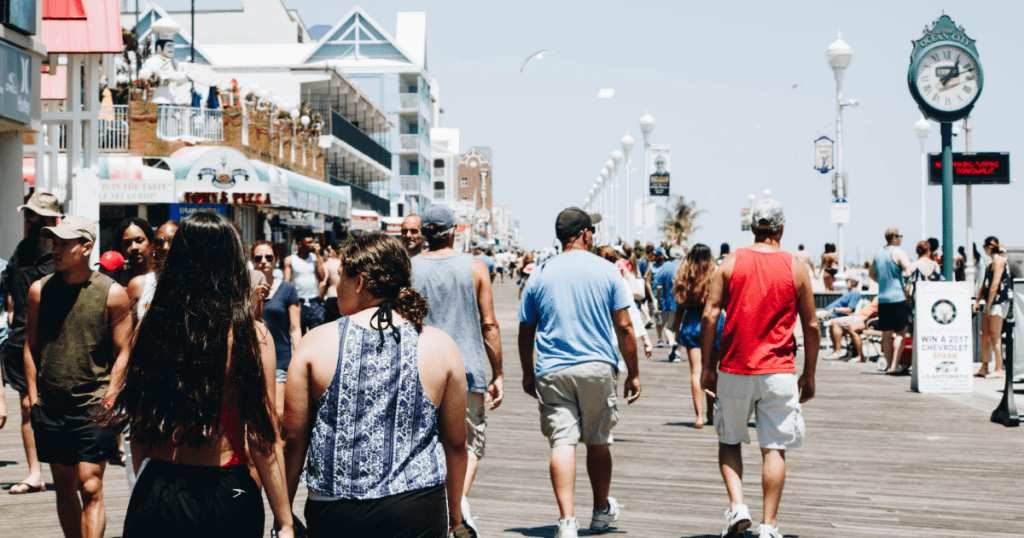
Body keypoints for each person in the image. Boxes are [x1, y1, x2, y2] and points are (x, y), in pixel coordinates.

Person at [99, 212, 294, 538]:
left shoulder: (151, 326)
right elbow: (262, 434)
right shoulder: (251, 334)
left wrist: (148, 489)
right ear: (233, 259)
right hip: (223, 489)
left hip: (157, 489)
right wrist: (284, 518)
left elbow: (139, 426)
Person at [283, 233, 467, 537]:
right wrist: (454, 505)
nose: (337, 285)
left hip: (336, 508)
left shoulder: (315, 342)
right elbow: (457, 443)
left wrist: (284, 514)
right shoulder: (439, 344)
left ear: (359, 282)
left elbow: (292, 439)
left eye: (341, 276)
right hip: (417, 504)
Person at [518, 207, 641, 538]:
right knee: (598, 441)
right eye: (592, 231)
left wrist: (527, 374)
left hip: (552, 370)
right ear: (585, 234)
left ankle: (567, 522)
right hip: (597, 368)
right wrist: (633, 372)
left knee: (562, 442)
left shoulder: (539, 274)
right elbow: (625, 326)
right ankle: (600, 512)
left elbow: (525, 331)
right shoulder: (606, 271)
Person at [700, 198, 818, 538]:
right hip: (779, 371)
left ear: (752, 228)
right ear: (781, 229)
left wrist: (707, 366)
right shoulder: (796, 268)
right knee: (774, 448)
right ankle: (769, 526)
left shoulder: (731, 263)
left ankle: (738, 507)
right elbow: (811, 325)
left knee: (729, 440)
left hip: (735, 367)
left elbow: (710, 314)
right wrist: (808, 373)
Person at [23, 216, 133, 538]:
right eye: (54, 244)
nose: (55, 250)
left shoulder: (113, 293)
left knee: (91, 484)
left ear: (86, 248)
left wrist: (111, 395)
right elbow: (29, 347)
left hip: (94, 405)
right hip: (51, 405)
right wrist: (32, 396)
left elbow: (124, 351)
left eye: (64, 244)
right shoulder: (39, 291)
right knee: (65, 487)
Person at [412, 204, 503, 536]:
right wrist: (499, 374)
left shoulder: (409, 268)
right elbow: (489, 324)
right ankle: (458, 503)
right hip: (467, 370)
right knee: (469, 443)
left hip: (421, 369)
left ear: (424, 233)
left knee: (428, 441)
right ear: (455, 230)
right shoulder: (476, 267)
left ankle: (447, 506)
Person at [1, 192, 59, 495]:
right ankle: (35, 473)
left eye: (33, 216)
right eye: (27, 215)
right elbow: (6, 284)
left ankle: (66, 470)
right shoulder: (22, 250)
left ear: (50, 221)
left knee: (58, 407)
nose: (28, 221)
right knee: (26, 406)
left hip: (56, 344)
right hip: (21, 343)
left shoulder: (64, 254)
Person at [672, 244, 724, 428]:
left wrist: (677, 331)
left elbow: (679, 309)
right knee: (711, 369)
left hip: (692, 324)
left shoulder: (685, 276)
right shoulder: (716, 274)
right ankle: (711, 413)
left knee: (696, 371)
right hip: (714, 323)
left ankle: (699, 417)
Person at [251, 240, 301, 415]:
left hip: (280, 359)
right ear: (253, 261)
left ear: (276, 259)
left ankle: (278, 443)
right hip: (252, 359)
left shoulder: (288, 289)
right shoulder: (244, 290)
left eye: (268, 257)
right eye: (258, 258)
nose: (263, 261)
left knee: (278, 412)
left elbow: (295, 328)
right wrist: (255, 298)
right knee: (256, 413)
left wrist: (299, 357)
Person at [869, 228, 913, 375]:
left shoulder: (878, 253)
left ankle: (888, 365)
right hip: (898, 297)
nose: (901, 238)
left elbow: (871, 274)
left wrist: (882, 282)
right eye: (900, 236)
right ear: (894, 237)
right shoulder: (899, 252)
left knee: (886, 333)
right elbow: (909, 271)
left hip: (883, 297)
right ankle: (895, 365)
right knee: (900, 332)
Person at [126, 220, 178, 324]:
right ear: (153, 247)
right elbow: (129, 334)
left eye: (172, 241)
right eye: (159, 242)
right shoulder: (138, 285)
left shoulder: (194, 285)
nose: (165, 247)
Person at [974, 237, 1011, 378]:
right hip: (991, 302)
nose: (984, 248)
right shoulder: (991, 263)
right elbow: (986, 284)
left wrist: (988, 305)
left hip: (998, 301)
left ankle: (998, 369)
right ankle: (984, 366)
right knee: (984, 334)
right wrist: (978, 300)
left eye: (985, 246)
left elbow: (995, 285)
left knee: (995, 336)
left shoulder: (999, 262)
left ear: (990, 247)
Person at [284, 227, 326, 334]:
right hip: (298, 302)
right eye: (308, 242)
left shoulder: (315, 258)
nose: (312, 245)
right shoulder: (290, 260)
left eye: (312, 242)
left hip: (314, 301)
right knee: (298, 333)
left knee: (316, 334)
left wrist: (318, 255)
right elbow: (287, 282)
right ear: (300, 243)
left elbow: (322, 277)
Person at [817, 277, 862, 360]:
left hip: (834, 314)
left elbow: (850, 309)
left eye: (847, 281)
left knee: (813, 319)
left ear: (852, 282)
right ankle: (834, 351)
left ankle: (836, 351)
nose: (846, 283)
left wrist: (834, 309)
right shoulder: (850, 292)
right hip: (830, 313)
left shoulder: (855, 293)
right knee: (813, 319)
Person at [653, 247, 682, 361]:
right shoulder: (685, 266)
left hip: (668, 303)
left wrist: (659, 301)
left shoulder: (665, 267)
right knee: (679, 328)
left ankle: (671, 343)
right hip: (683, 303)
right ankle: (677, 354)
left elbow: (658, 286)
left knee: (668, 327)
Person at [827, 298, 878, 363]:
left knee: (835, 322)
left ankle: (838, 352)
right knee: (833, 324)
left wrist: (864, 320)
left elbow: (876, 310)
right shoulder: (879, 296)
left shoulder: (883, 297)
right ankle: (846, 352)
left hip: (863, 318)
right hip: (859, 316)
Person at [112, 217, 155, 287]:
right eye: (127, 244)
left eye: (139, 241)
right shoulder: (114, 283)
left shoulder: (163, 277)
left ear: (151, 243)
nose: (134, 247)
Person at [320, 243, 342, 324]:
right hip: (344, 296)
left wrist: (320, 297)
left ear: (332, 251)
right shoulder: (344, 263)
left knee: (330, 324)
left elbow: (323, 282)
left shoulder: (328, 264)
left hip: (332, 295)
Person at [649, 248, 666, 346]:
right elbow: (647, 281)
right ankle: (660, 338)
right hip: (656, 296)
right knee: (657, 317)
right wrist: (651, 296)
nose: (654, 257)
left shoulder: (666, 266)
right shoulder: (651, 267)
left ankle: (669, 336)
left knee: (668, 318)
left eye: (656, 255)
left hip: (667, 296)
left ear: (662, 256)